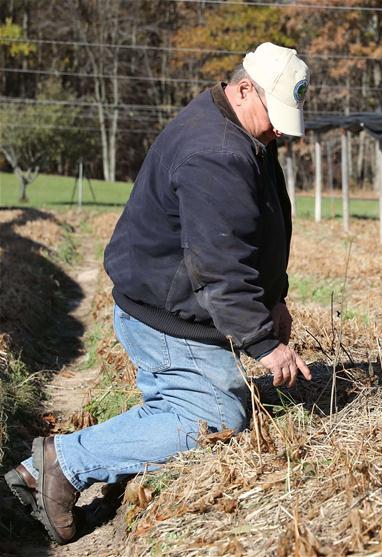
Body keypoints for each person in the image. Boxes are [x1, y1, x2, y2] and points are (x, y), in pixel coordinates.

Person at [3, 42, 312, 544]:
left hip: (177, 304)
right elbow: (218, 266)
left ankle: (119, 454)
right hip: (166, 316)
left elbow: (257, 229)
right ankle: (61, 465)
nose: (280, 128)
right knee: (216, 418)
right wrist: (263, 341)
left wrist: (273, 297)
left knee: (201, 407)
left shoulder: (237, 131)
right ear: (243, 88)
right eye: (275, 114)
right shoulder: (215, 153)